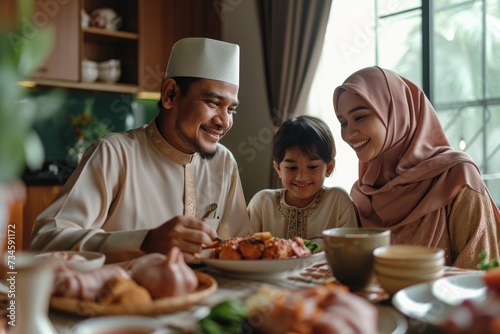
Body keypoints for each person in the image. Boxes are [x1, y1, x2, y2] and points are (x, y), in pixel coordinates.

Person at [29, 37, 250, 263]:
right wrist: (144, 241)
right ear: (170, 94)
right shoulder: (114, 154)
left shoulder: (224, 162)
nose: (224, 122)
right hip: (121, 296)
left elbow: (243, 248)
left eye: (231, 109)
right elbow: (45, 241)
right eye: (213, 103)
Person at [333, 65, 500, 269]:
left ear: (396, 112)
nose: (349, 134)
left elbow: (477, 275)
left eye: (360, 117)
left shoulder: (456, 177)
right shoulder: (364, 195)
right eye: (343, 123)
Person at [247, 115, 358, 240]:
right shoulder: (262, 203)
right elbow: (245, 248)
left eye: (312, 167)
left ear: (329, 167)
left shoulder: (338, 201)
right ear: (278, 169)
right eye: (291, 168)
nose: (301, 177)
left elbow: (349, 248)